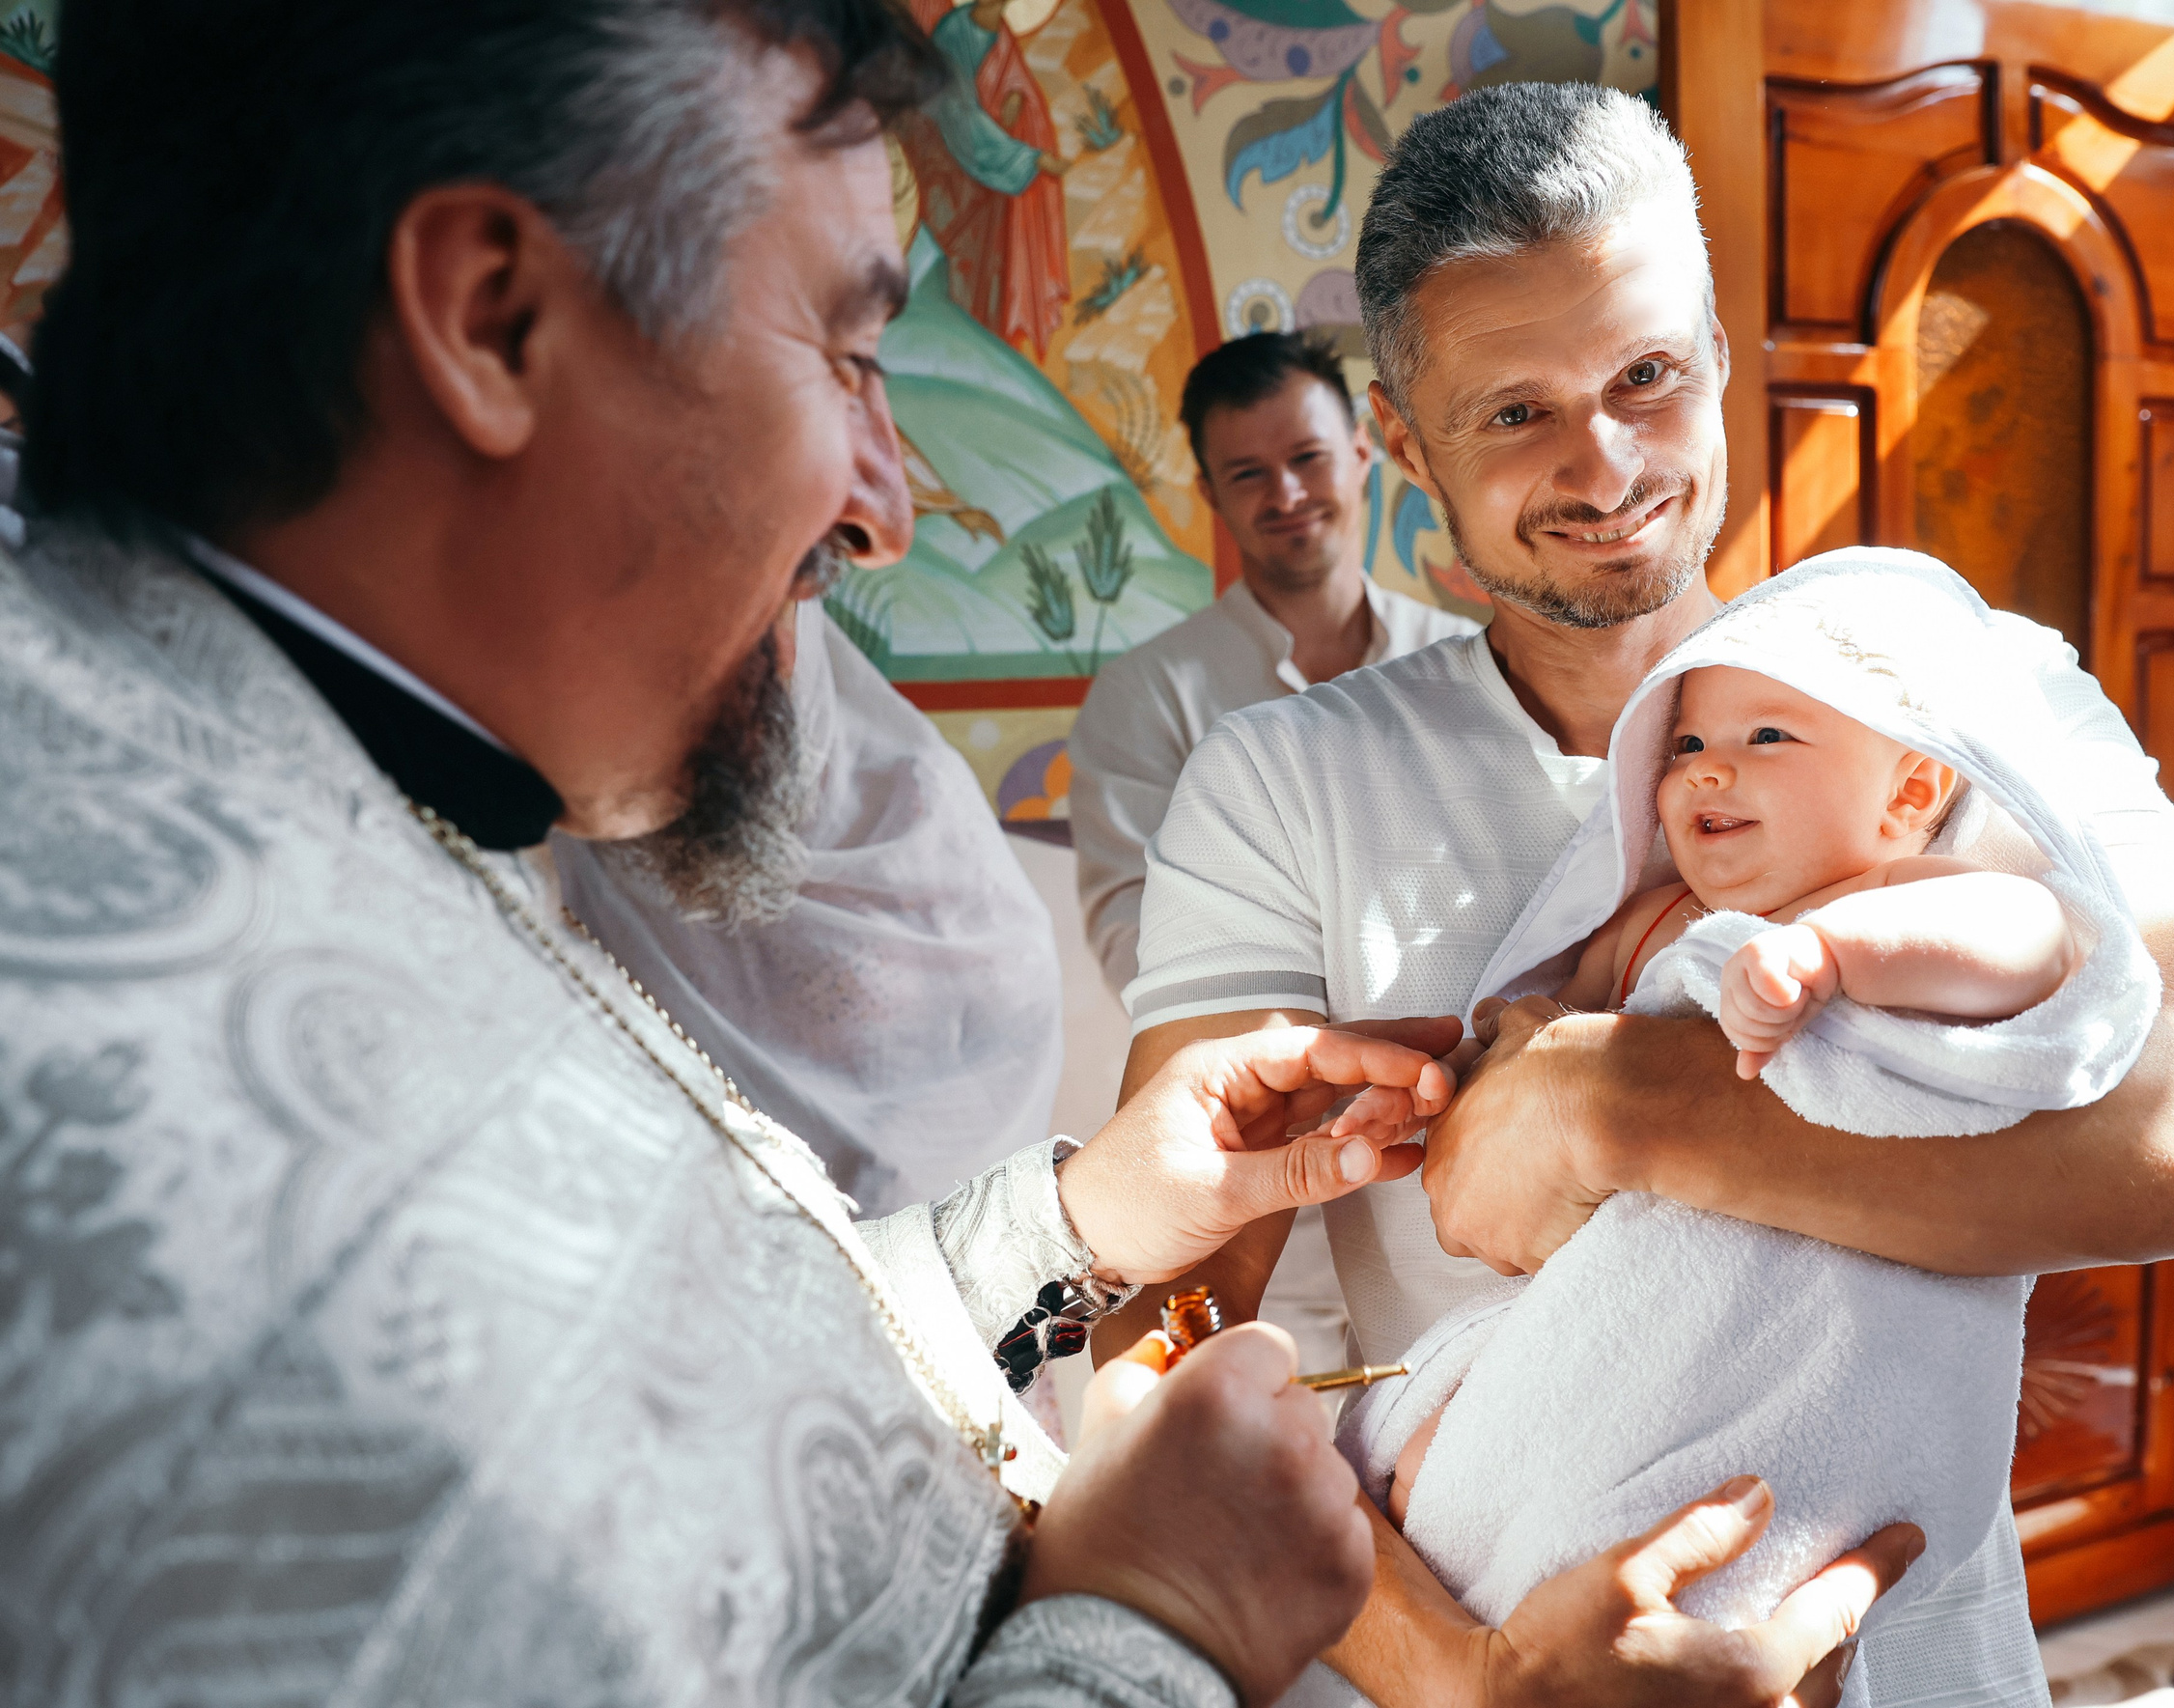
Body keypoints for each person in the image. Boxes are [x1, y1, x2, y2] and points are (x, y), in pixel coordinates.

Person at [0, 10, 1921, 1706]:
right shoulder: (171, 1153)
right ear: (491, 316)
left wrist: (1065, 1222)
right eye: (845, 345)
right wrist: (1157, 1620)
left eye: (1649, 377)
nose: (887, 495)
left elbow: (700, 1393)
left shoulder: (308, 772)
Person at [1102, 84, 2174, 1707]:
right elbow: (1160, 1337)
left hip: (1921, 1645)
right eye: (1515, 412)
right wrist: (1474, 1676)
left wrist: (1616, 1108)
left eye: (1647, 376)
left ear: (1719, 355)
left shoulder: (1956, 693)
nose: (1604, 461)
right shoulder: (1278, 785)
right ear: (1404, 443)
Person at [1368, 554, 2165, 1708]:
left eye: (1769, 738)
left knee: (1731, 1475)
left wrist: (1834, 954)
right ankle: (1505, 1498)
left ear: (1905, 792)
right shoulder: (1654, 922)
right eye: (1684, 745)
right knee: (1459, 1431)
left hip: (1815, 1308)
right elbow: (1540, 1043)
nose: (1711, 768)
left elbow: (2039, 937)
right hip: (1632, 1292)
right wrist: (1460, 1067)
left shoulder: (1903, 893)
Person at [1072, 333, 1473, 1379]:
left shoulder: (1467, 665)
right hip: (1245, 1146)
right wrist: (1311, 1041)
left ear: (1363, 449)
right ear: (1209, 491)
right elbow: (1129, 924)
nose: (1285, 492)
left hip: (1444, 1123)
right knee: (1242, 1415)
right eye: (1248, 473)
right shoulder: (1148, 694)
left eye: (1305, 456)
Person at [555, 600, 1070, 1218]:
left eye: (766, 615)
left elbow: (989, 1071)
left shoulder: (918, 824)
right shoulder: (569, 829)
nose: (713, 672)